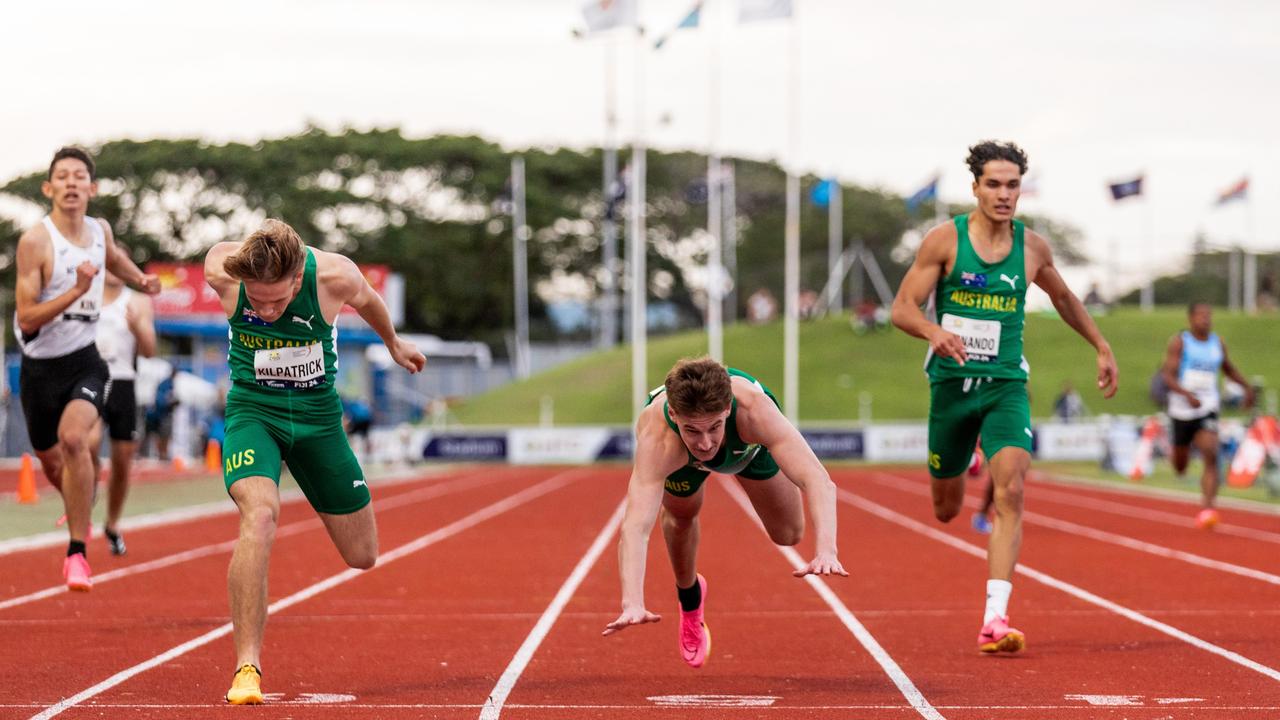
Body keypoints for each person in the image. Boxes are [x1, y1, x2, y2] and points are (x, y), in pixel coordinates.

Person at [890, 140, 1117, 654]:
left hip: (1006, 386)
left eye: (1012, 184)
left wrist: (1101, 345)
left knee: (1012, 490)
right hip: (951, 388)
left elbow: (1063, 296)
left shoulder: (1031, 248)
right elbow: (901, 309)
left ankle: (995, 617)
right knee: (946, 509)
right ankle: (968, 456)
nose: (1004, 193)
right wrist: (933, 332)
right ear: (975, 188)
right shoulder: (944, 242)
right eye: (993, 183)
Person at [203, 219, 425, 704]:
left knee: (362, 555)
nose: (264, 310)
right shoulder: (222, 269)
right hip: (253, 413)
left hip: (318, 419)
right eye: (255, 301)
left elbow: (369, 300)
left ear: (298, 278)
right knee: (260, 515)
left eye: (277, 302)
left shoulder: (335, 276)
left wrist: (394, 343)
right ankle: (247, 668)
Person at [602, 357, 847, 668]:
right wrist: (632, 602)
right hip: (682, 461)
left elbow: (819, 480)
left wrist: (826, 550)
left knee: (788, 534)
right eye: (692, 430)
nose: (705, 444)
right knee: (680, 518)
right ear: (674, 414)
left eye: (714, 427)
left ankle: (745, 445)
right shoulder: (659, 437)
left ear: (728, 408)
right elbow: (635, 526)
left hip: (748, 450)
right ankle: (690, 603)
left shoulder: (755, 411)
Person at [13, 147, 159, 590]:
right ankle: (80, 500)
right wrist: (77, 290)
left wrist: (139, 280)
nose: (72, 183)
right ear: (49, 188)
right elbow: (26, 318)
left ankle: (77, 553)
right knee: (53, 461)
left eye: (80, 176)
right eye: (63, 176)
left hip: (85, 361)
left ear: (92, 189)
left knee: (75, 439)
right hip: (40, 367)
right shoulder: (36, 242)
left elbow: (112, 256)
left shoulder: (99, 230)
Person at [1161, 302, 1254, 529]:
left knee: (1211, 452)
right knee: (1180, 465)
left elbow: (1228, 368)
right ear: (1190, 318)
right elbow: (1168, 376)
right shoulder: (1180, 342)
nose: (1205, 319)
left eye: (1208, 315)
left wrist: (1247, 388)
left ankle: (1208, 508)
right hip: (1182, 409)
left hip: (1207, 406)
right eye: (1200, 315)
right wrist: (1186, 394)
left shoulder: (1217, 343)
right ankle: (1178, 457)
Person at [93, 262, 158, 555]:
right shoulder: (87, 294)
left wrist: (136, 327)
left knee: (121, 460)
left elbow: (149, 350)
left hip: (123, 384)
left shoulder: (137, 301)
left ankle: (113, 523)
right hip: (91, 380)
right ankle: (88, 478)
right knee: (87, 443)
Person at [143, 365, 179, 460]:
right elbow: (161, 400)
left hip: (160, 414)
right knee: (162, 435)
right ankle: (161, 453)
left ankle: (162, 453)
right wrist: (170, 402)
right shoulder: (166, 384)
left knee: (161, 435)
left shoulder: (168, 384)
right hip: (161, 414)